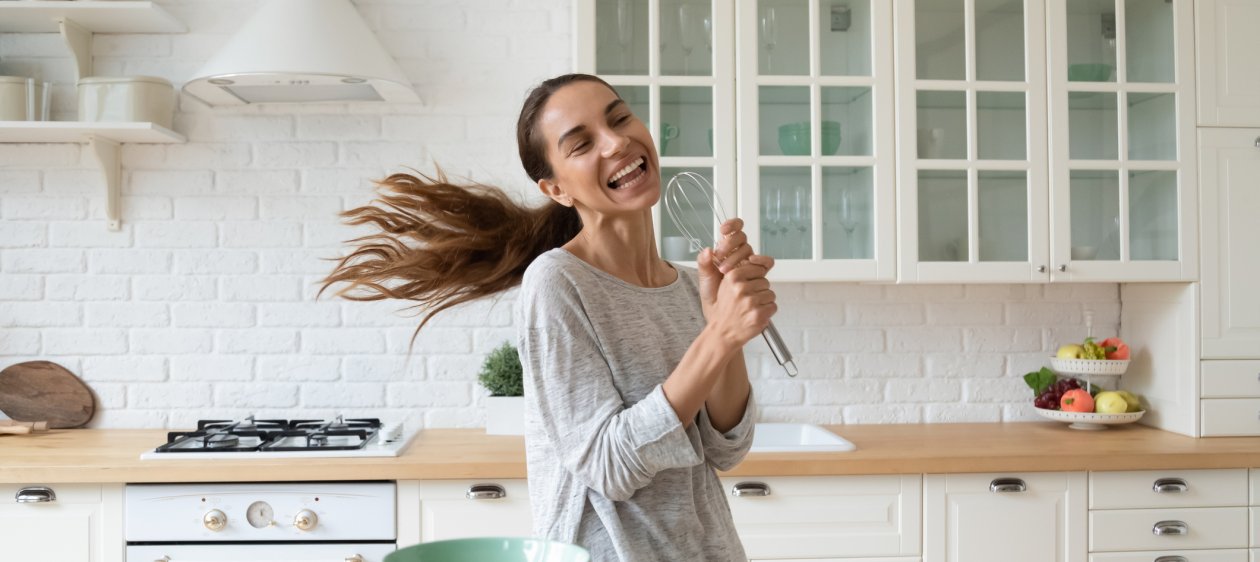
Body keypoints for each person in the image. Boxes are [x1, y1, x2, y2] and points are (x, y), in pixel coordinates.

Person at [322, 73, 778, 562]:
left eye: (619, 117)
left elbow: (726, 451)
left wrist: (721, 332)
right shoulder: (558, 283)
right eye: (582, 144)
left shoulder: (689, 285)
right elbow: (608, 466)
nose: (617, 141)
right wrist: (718, 338)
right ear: (556, 188)